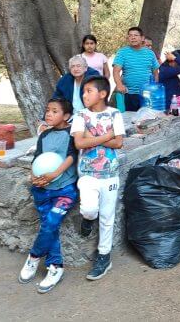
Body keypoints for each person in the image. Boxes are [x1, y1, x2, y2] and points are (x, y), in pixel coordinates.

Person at [18, 98, 78, 293]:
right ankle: (55, 266)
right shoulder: (44, 136)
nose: (48, 114)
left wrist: (55, 174)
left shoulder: (73, 134)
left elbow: (72, 155)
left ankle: (34, 256)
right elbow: (37, 159)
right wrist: (34, 177)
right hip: (43, 190)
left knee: (51, 222)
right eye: (47, 111)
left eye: (54, 111)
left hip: (65, 189)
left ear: (67, 116)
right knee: (48, 226)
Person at [71, 75, 125, 280]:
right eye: (83, 91)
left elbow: (119, 142)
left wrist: (91, 139)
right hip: (87, 173)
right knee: (90, 209)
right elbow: (79, 144)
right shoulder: (80, 115)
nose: (84, 95)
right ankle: (87, 219)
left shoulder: (115, 114)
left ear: (102, 94)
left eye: (89, 91)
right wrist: (106, 136)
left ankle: (104, 256)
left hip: (110, 175)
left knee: (107, 217)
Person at [112, 26, 159, 111]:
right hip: (129, 93)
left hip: (147, 93)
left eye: (136, 35)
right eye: (130, 35)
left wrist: (154, 87)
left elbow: (156, 72)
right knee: (130, 119)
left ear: (142, 38)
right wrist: (119, 85)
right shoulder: (122, 52)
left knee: (147, 120)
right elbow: (116, 71)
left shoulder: (150, 53)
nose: (133, 37)